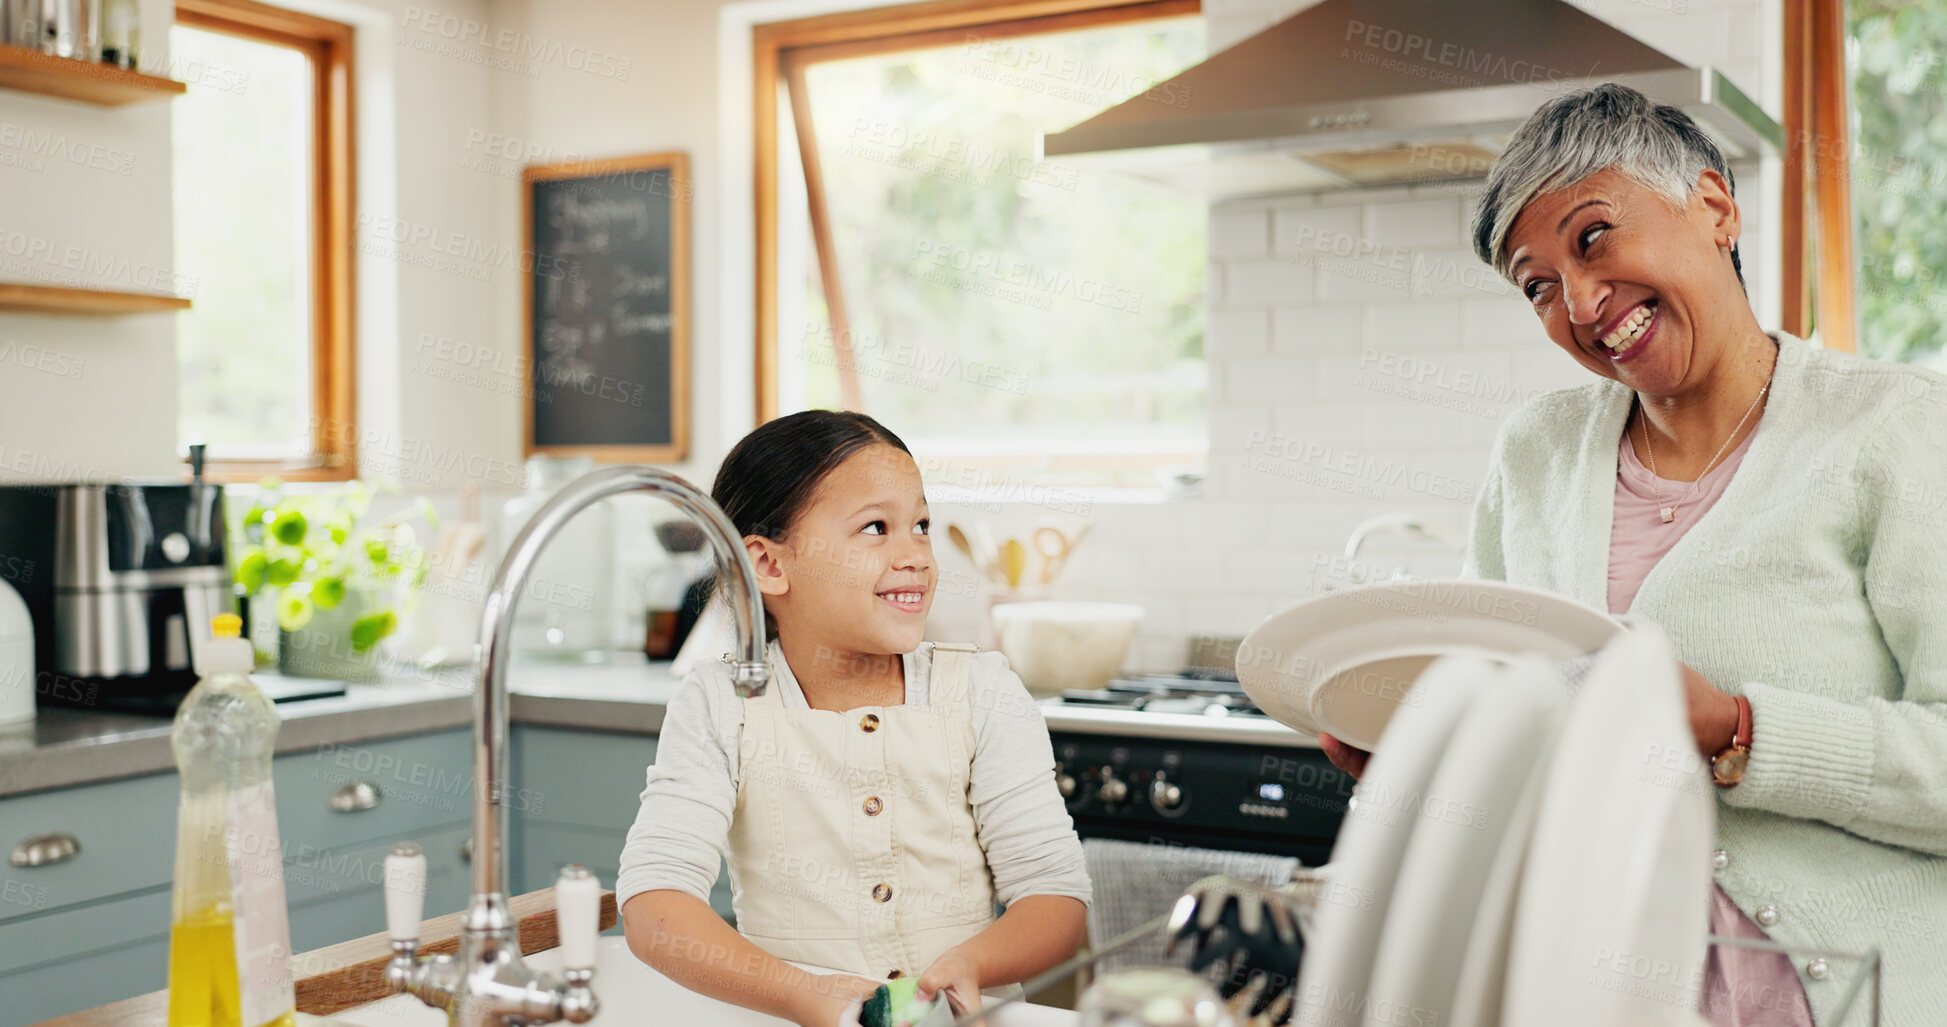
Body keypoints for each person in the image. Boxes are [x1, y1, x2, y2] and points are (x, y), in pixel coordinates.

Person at [1317, 82, 1947, 1027]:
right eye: (1536, 286)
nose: (1576, 301)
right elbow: (1529, 733)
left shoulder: (1894, 430)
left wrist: (1740, 729)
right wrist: (1438, 760)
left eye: (1592, 236)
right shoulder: (1534, 453)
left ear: (1714, 207)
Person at [616, 410, 1091, 1027]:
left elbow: (1055, 898)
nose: (916, 554)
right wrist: (800, 995)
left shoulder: (983, 691)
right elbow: (656, 910)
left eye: (921, 526)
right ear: (768, 564)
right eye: (876, 528)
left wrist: (976, 960)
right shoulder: (720, 703)